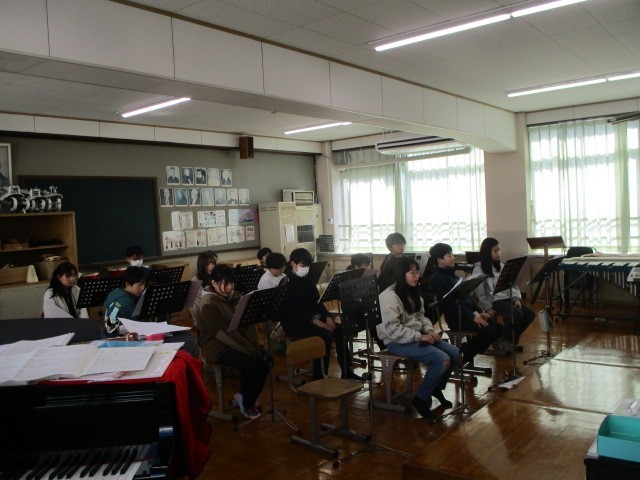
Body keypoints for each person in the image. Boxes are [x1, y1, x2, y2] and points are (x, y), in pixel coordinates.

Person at [378, 256, 460, 419]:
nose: (417, 276)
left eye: (417, 272)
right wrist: (420, 337)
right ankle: (421, 399)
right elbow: (392, 330)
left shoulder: (412, 291)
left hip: (415, 336)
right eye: (412, 273)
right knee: (442, 359)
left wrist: (429, 330)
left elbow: (421, 316)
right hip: (396, 341)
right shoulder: (388, 297)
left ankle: (435, 388)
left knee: (455, 353)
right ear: (401, 274)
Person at [198, 265, 270, 420]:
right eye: (226, 284)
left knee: (265, 360)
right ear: (214, 283)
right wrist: (249, 351)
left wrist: (255, 347)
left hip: (240, 342)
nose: (230, 287)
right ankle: (249, 404)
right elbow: (224, 335)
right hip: (217, 347)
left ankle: (245, 395)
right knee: (249, 364)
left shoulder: (236, 296)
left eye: (232, 283)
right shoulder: (208, 303)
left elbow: (248, 325)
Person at [279, 248, 361, 380]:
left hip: (312, 319)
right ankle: (320, 376)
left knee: (340, 330)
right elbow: (290, 311)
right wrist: (315, 321)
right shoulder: (286, 283)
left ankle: (347, 371)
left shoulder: (308, 280)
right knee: (325, 335)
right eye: (303, 265)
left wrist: (327, 317)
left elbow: (317, 302)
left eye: (308, 265)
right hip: (295, 323)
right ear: (293, 264)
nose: (306, 268)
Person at [428, 242, 503, 365]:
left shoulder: (453, 275)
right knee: (490, 331)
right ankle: (463, 357)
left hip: (469, 315)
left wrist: (479, 312)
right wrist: (473, 316)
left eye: (452, 255)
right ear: (439, 260)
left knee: (498, 328)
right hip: (457, 318)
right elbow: (451, 304)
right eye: (449, 255)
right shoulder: (437, 279)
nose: (453, 258)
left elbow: (467, 297)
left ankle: (466, 350)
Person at [472, 237, 535, 352]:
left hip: (508, 298)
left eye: (499, 250)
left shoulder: (501, 266)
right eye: (495, 251)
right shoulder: (479, 268)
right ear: (487, 252)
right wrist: (487, 308)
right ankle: (506, 341)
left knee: (529, 314)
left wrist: (516, 298)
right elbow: (479, 292)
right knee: (517, 314)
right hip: (494, 302)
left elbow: (513, 285)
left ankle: (506, 340)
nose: (498, 253)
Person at [103, 266, 147, 337]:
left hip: (108, 334)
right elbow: (138, 324)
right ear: (127, 284)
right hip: (116, 338)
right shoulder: (125, 301)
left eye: (144, 284)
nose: (143, 288)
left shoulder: (117, 293)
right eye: (139, 285)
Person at [190, 250, 218, 327]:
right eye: (208, 264)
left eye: (213, 263)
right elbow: (195, 309)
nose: (211, 266)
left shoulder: (216, 277)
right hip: (204, 320)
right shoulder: (195, 282)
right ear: (202, 265)